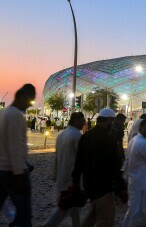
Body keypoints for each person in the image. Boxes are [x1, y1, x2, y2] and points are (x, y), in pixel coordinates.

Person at [71, 108, 126, 226]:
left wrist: (75, 182)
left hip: (89, 185)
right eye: (112, 121)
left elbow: (78, 162)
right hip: (104, 187)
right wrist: (121, 187)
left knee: (94, 213)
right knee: (106, 219)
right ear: (109, 120)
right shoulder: (108, 139)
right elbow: (114, 165)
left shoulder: (86, 137)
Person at [0, 83, 36, 227]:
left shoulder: (3, 113)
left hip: (1, 170)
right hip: (13, 172)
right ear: (23, 96)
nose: (30, 105)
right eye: (30, 100)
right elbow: (15, 147)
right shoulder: (16, 115)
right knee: (24, 212)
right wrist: (19, 173)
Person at [43, 112, 86, 227]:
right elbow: (82, 157)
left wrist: (55, 173)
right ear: (76, 121)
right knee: (66, 207)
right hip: (72, 178)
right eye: (82, 120)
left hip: (63, 175)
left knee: (71, 208)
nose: (84, 123)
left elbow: (57, 157)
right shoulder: (77, 135)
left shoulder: (62, 134)